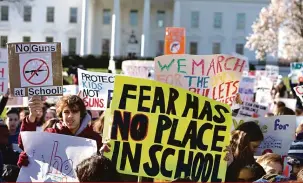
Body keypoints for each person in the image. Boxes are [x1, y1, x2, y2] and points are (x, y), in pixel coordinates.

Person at [17, 95, 104, 168]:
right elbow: (25, 144)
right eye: (66, 112)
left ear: (81, 114)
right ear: (61, 115)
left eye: (74, 111)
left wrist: (104, 156)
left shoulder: (94, 139)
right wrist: (28, 159)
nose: (70, 116)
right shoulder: (51, 134)